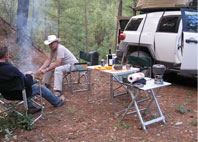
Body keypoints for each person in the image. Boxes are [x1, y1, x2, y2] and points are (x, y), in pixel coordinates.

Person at [0, 45, 64, 114]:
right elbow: (27, 83)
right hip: (19, 94)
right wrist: (29, 75)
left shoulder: (8, 69)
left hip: (5, 95)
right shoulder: (11, 69)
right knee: (40, 88)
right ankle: (57, 102)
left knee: (22, 83)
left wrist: (24, 75)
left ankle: (31, 107)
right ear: (6, 55)